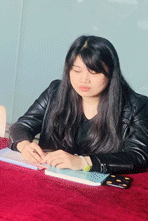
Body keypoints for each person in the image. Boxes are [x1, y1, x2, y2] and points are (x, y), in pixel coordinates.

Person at [10, 35, 148, 174]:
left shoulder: (137, 106)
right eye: (76, 71)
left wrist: (83, 162)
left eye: (94, 72)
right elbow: (21, 126)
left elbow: (139, 156)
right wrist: (24, 145)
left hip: (100, 184)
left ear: (111, 73)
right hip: (50, 177)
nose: (84, 79)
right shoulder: (55, 92)